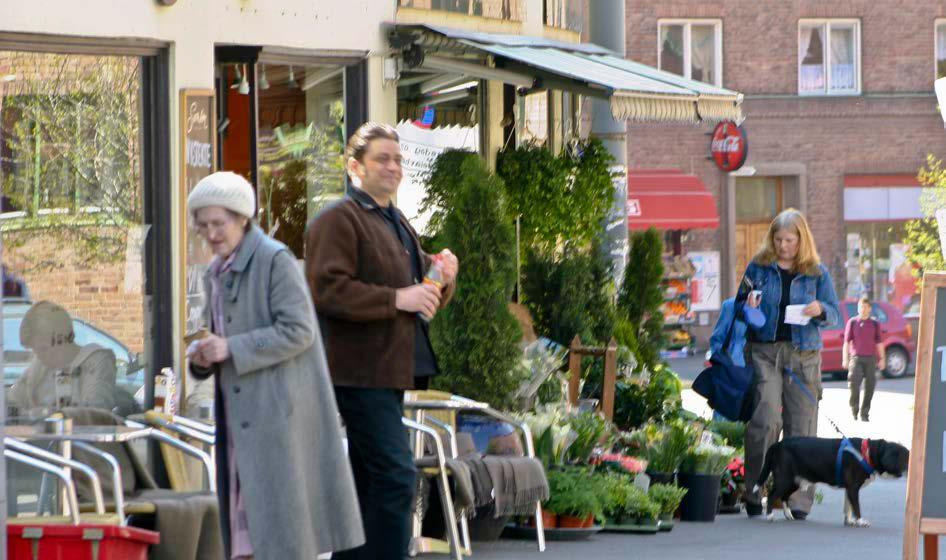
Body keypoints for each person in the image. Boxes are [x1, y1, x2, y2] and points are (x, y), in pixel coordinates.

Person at [186, 171, 363, 560]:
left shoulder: (273, 260)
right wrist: (203, 359)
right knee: (248, 541)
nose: (211, 234)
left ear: (241, 218)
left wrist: (229, 348)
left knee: (279, 541)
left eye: (219, 223)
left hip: (277, 420)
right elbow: (220, 340)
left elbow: (300, 331)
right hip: (242, 424)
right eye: (204, 226)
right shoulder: (217, 271)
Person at [305, 122, 459, 560]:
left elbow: (419, 293)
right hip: (358, 372)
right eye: (382, 159)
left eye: (398, 159)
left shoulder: (394, 220)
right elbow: (326, 289)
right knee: (395, 477)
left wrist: (443, 273)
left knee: (371, 479)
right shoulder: (337, 220)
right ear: (355, 167)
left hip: (388, 370)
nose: (393, 167)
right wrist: (398, 298)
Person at [741, 208, 840, 520]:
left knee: (802, 429)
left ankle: (798, 500)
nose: (782, 245)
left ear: (801, 240)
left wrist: (820, 309)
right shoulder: (758, 267)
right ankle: (755, 491)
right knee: (765, 419)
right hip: (765, 352)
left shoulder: (817, 272)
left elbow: (836, 314)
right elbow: (738, 305)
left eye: (789, 240)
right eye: (778, 239)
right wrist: (748, 304)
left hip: (803, 355)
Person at [8, 300, 116, 415]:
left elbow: (95, 412)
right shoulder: (40, 365)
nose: (39, 356)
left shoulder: (96, 360)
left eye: (43, 349)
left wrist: (39, 414)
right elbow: (13, 399)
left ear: (62, 340)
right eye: (35, 350)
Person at [843, 295, 885, 422]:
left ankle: (864, 412)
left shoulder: (874, 324)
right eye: (860, 307)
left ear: (869, 309)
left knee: (870, 386)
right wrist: (845, 359)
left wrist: (882, 358)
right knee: (854, 383)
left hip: (870, 358)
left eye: (865, 307)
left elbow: (879, 342)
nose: (862, 309)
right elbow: (846, 342)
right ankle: (854, 408)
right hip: (856, 357)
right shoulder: (853, 322)